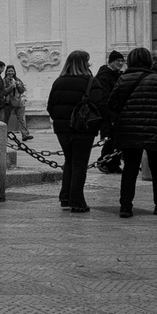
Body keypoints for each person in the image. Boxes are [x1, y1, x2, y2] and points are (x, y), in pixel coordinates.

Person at [107, 46, 157, 218]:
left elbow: (113, 104)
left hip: (128, 129)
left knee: (130, 168)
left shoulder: (122, 79)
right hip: (153, 128)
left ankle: (125, 206)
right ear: (148, 60)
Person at [46, 49, 96, 213]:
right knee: (79, 164)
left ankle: (65, 197)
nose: (89, 64)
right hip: (83, 128)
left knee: (69, 161)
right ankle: (77, 201)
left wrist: (61, 121)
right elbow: (100, 105)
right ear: (83, 63)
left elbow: (50, 107)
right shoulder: (90, 82)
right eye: (87, 61)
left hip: (62, 129)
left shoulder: (58, 82)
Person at [90, 49, 126, 173]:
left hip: (117, 113)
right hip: (108, 114)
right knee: (110, 140)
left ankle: (114, 164)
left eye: (122, 61)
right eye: (117, 61)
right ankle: (104, 162)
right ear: (111, 62)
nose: (120, 63)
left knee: (117, 140)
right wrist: (110, 115)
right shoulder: (104, 76)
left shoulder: (117, 75)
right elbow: (104, 98)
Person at [2, 64, 32, 140]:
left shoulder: (18, 80)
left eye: (12, 71)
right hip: (7, 102)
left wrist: (18, 85)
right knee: (5, 119)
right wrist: (11, 86)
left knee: (21, 118)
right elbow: (3, 92)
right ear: (6, 72)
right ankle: (3, 134)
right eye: (9, 71)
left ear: (14, 72)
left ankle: (25, 134)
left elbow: (22, 90)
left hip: (18, 101)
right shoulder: (3, 81)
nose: (10, 72)